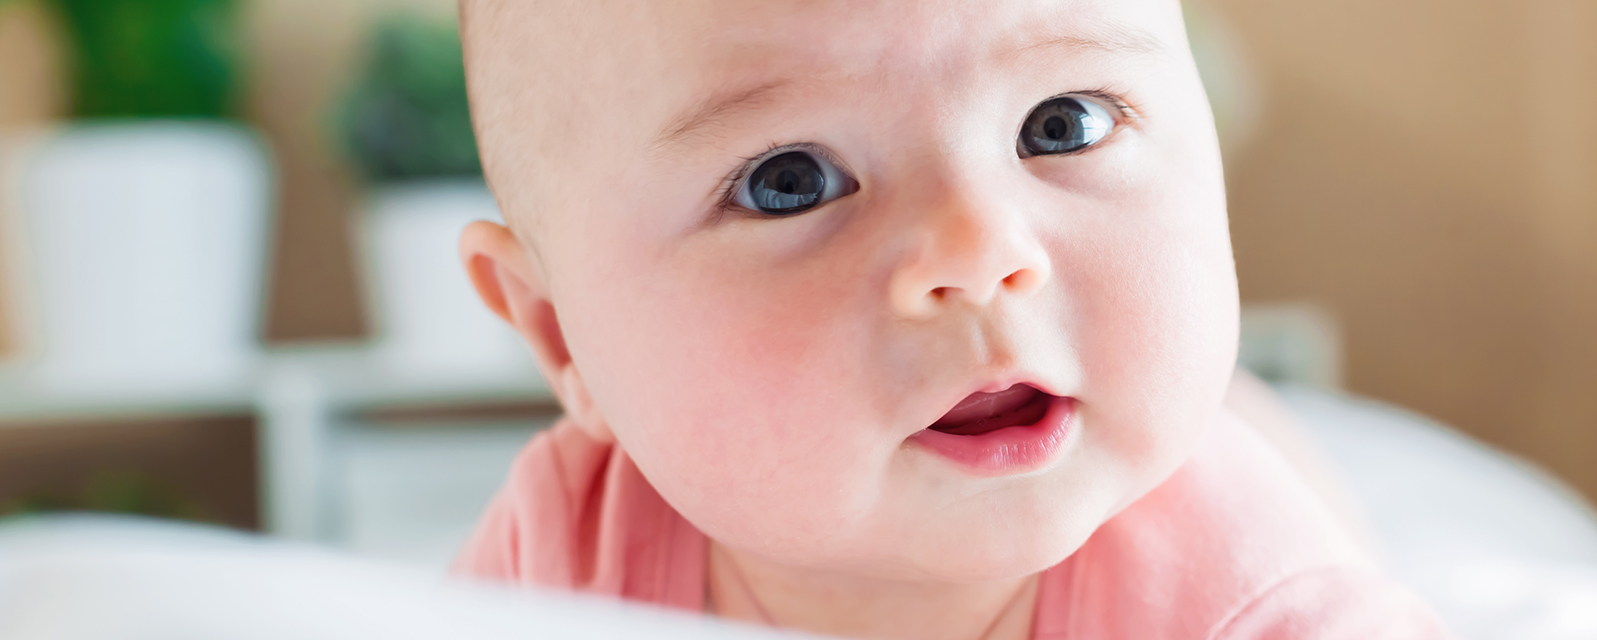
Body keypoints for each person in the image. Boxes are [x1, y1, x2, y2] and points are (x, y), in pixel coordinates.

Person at [450, 2, 1448, 638]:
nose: (980, 253)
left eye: (1063, 124)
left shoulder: (1257, 608)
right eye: (787, 182)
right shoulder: (557, 564)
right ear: (561, 336)